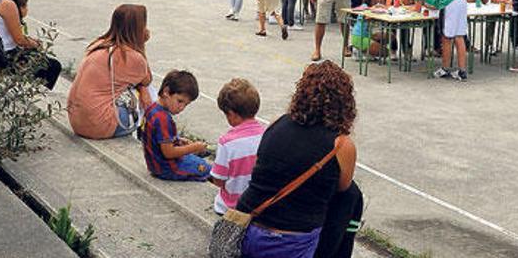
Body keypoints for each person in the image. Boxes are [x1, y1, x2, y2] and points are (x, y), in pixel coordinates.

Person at [237, 61, 362, 258]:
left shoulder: (276, 124)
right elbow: (343, 188)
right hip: (291, 242)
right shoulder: (341, 145)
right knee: (351, 196)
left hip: (247, 228)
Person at [67, 4, 152, 139]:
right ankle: (150, 135)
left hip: (77, 120)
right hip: (98, 124)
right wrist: (141, 44)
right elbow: (147, 79)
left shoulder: (99, 43)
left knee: (138, 89)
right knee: (150, 93)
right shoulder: (132, 57)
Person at [141, 71, 209, 181]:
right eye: (180, 101)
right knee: (207, 168)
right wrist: (193, 148)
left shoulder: (152, 109)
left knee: (196, 161)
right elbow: (169, 153)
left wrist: (178, 140)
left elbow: (159, 138)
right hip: (167, 168)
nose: (181, 107)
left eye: (186, 104)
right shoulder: (163, 118)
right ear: (166, 92)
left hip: (154, 165)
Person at [210, 78, 264, 215]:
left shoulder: (226, 142)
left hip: (231, 208)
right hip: (257, 205)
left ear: (232, 114)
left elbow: (218, 180)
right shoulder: (267, 135)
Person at [411, 0, 469, 81]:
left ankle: (445, 69)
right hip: (462, 0)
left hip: (450, 3)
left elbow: (417, 10)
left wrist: (408, 9)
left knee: (446, 38)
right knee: (459, 37)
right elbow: (436, 6)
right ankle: (462, 71)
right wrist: (425, 5)